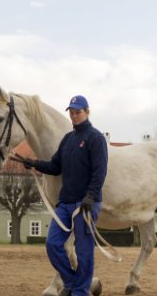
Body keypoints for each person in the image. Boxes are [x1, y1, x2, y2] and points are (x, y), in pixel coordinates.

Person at [16, 95, 108, 296]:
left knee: (84, 251)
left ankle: (80, 292)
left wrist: (91, 198)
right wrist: (35, 164)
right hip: (65, 203)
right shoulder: (67, 139)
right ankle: (73, 282)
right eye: (72, 113)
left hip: (85, 204)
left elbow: (100, 171)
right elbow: (55, 166)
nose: (74, 116)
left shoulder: (96, 138)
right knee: (53, 244)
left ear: (87, 112)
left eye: (78, 112)